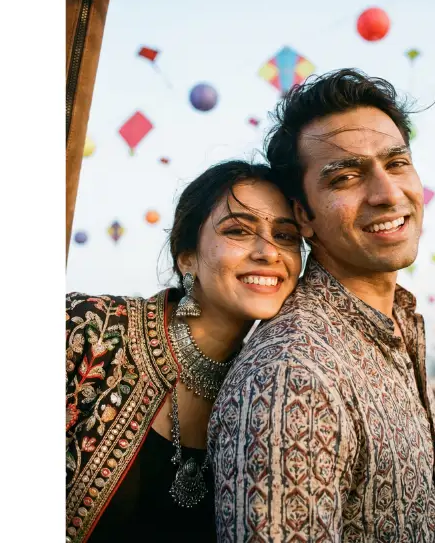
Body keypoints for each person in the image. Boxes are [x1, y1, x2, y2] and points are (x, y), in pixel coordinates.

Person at [208, 69, 435, 542]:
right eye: (346, 177)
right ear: (304, 215)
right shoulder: (294, 374)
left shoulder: (391, 324)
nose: (388, 194)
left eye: (396, 163)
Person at [65, 160, 304, 543]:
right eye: (239, 231)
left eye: (286, 235)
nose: (268, 252)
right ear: (187, 255)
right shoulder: (87, 330)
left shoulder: (268, 388)